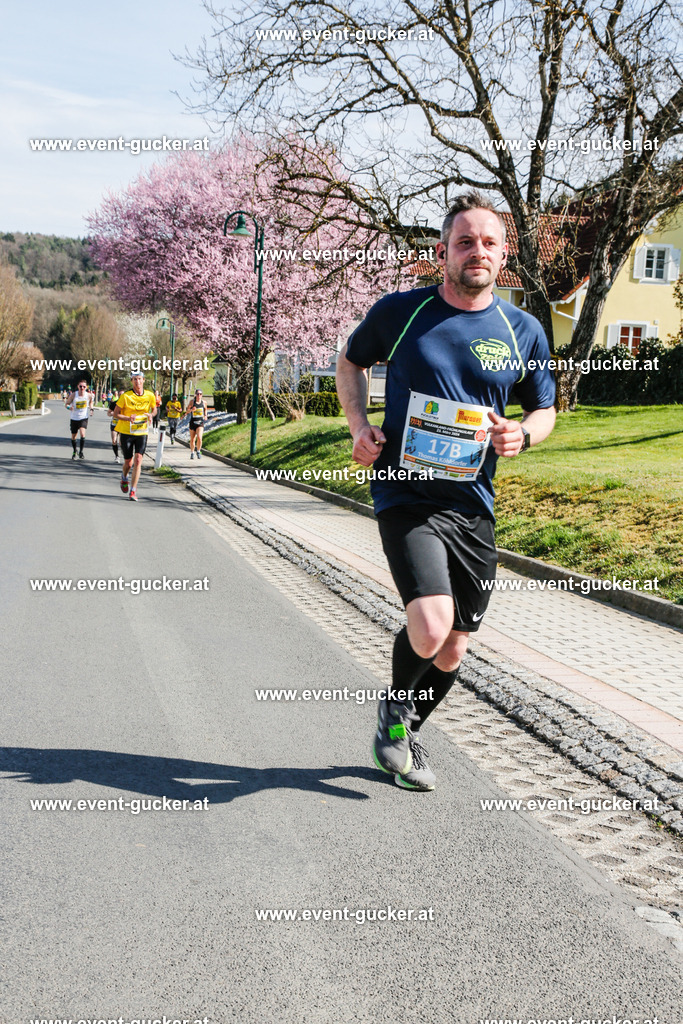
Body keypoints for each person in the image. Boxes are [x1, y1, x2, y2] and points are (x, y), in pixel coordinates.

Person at [337, 191, 557, 792]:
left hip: (473, 504)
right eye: (464, 242)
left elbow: (544, 408)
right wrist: (359, 427)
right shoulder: (401, 312)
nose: (476, 251)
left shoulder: (522, 329)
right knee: (432, 627)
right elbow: (350, 363)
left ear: (504, 254)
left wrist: (522, 434)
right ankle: (395, 718)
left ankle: (402, 731)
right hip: (405, 493)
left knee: (455, 646)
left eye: (488, 242)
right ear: (442, 253)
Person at [113, 371, 157, 501]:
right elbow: (115, 414)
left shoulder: (150, 395)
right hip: (127, 432)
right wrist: (128, 418)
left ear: (143, 380)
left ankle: (133, 490)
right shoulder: (126, 396)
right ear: (132, 381)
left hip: (141, 432)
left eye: (139, 379)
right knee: (129, 462)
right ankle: (124, 477)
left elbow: (154, 409)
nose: (137, 381)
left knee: (138, 460)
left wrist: (151, 415)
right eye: (134, 379)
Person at [66, 379, 94, 460]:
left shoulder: (88, 395)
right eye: (80, 386)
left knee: (82, 434)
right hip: (74, 418)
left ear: (86, 387)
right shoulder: (74, 395)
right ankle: (75, 451)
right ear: (78, 386)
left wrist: (91, 409)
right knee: (73, 436)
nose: (82, 388)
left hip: (83, 418)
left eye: (84, 386)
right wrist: (69, 407)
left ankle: (81, 452)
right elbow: (66, 404)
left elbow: (91, 402)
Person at [187, 389, 207, 459]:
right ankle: (192, 452)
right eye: (198, 394)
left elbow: (205, 409)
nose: (199, 395)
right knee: (192, 439)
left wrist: (205, 415)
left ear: (202, 395)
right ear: (195, 394)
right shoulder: (192, 402)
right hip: (193, 422)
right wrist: (191, 410)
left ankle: (198, 451)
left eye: (200, 394)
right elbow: (187, 411)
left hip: (200, 423)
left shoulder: (204, 402)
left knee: (199, 438)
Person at [107, 389, 121, 462]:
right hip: (114, 424)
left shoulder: (127, 405)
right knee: (114, 440)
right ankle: (117, 456)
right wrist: (111, 413)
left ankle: (125, 455)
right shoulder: (114, 403)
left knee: (121, 442)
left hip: (123, 425)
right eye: (120, 395)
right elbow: (108, 413)